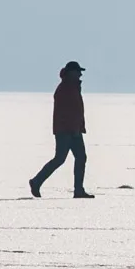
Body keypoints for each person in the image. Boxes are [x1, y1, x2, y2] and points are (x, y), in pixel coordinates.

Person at [29, 61, 93, 198]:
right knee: (60, 159)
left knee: (80, 157)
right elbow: (66, 112)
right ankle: (36, 182)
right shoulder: (65, 88)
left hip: (73, 130)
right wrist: (73, 128)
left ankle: (78, 190)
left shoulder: (72, 87)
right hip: (66, 131)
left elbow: (76, 110)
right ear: (71, 72)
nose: (80, 74)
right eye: (78, 72)